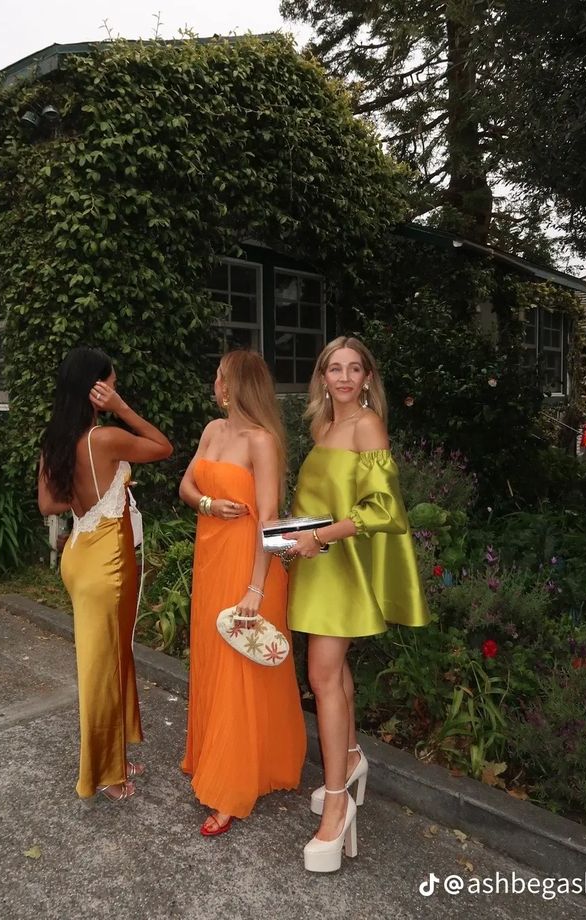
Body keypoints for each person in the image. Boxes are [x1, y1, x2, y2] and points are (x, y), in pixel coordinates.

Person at [285, 336, 429, 872]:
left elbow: (384, 508)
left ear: (368, 377)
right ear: (322, 377)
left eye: (354, 369)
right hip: (317, 560)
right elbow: (320, 499)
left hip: (340, 565)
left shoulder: (367, 425)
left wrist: (320, 537)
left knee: (321, 676)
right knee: (334, 671)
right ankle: (349, 760)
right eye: (334, 369)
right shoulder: (323, 427)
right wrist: (293, 534)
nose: (344, 378)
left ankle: (338, 804)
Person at [179, 350, 307, 836]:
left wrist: (256, 589)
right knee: (214, 657)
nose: (214, 381)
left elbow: (271, 523)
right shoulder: (213, 431)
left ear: (235, 385)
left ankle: (230, 789)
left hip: (252, 567)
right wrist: (209, 504)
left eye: (219, 375)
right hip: (212, 558)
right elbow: (186, 484)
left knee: (241, 669)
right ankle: (215, 757)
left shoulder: (262, 441)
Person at [38, 346, 173, 802]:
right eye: (112, 385)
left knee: (111, 659)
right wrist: (122, 411)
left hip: (79, 551)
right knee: (101, 669)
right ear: (96, 390)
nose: (116, 391)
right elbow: (163, 447)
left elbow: (48, 505)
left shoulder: (56, 437)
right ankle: (105, 776)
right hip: (107, 564)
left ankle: (113, 756)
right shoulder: (105, 438)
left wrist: (90, 496)